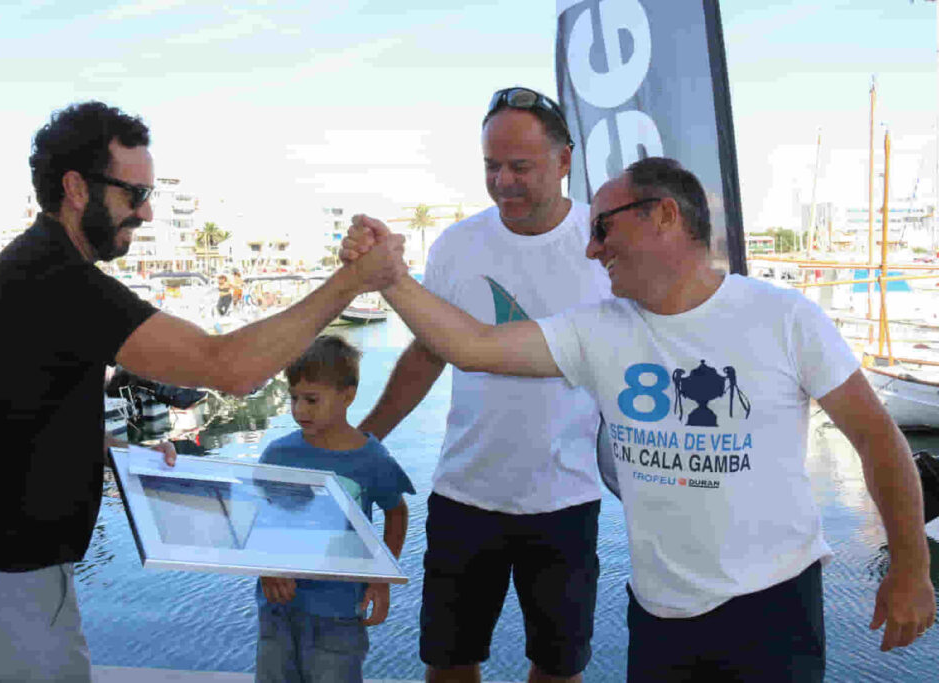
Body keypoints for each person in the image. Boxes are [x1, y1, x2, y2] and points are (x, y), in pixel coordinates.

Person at [344, 157, 936, 682]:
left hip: (772, 608)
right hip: (658, 616)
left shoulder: (785, 318)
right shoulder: (600, 329)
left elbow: (876, 439)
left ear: (664, 216)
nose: (592, 248)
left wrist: (911, 567)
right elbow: (472, 346)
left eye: (603, 228)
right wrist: (390, 278)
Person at [0, 100, 404, 682]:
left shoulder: (37, 268)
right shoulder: (57, 280)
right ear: (76, 188)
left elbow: (23, 406)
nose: (146, 212)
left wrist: (121, 452)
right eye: (135, 194)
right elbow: (228, 367)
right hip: (3, 558)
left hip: (11, 556)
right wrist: (352, 281)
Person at [356, 86, 612, 683]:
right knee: (449, 663)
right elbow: (427, 353)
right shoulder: (457, 245)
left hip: (566, 501)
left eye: (520, 166)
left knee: (558, 668)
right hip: (464, 496)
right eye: (491, 166)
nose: (503, 182)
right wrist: (365, 441)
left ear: (564, 160)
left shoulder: (603, 248)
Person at [255, 334, 415, 681]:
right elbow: (256, 516)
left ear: (348, 396)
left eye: (311, 400)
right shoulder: (277, 454)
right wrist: (267, 569)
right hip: (278, 606)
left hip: (339, 611)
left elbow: (397, 512)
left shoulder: (372, 459)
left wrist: (381, 580)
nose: (299, 410)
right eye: (294, 398)